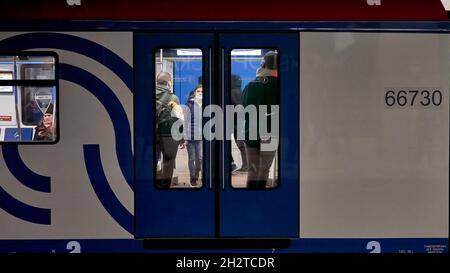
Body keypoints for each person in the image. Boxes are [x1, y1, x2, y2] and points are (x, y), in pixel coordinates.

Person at [241, 51, 279, 188]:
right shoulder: (281, 86)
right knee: (264, 170)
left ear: (263, 65)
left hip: (250, 132)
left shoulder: (251, 85)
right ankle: (260, 198)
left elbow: (243, 109)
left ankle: (250, 198)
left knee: (253, 170)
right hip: (270, 132)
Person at [155, 71, 184, 188]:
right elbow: (178, 118)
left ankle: (154, 185)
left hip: (150, 135)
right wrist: (181, 136)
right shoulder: (173, 97)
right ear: (169, 82)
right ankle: (165, 187)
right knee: (169, 161)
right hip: (168, 135)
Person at [183, 84, 203, 186]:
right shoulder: (189, 105)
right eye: (198, 91)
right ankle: (193, 179)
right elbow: (184, 122)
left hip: (202, 137)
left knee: (200, 158)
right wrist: (185, 138)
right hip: (190, 137)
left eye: (202, 92)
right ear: (194, 93)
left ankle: (197, 174)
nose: (200, 93)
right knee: (192, 158)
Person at [230, 74, 248, 173]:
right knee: (241, 144)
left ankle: (232, 163)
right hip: (240, 121)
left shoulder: (231, 92)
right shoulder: (241, 91)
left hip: (231, 121)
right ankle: (246, 165)